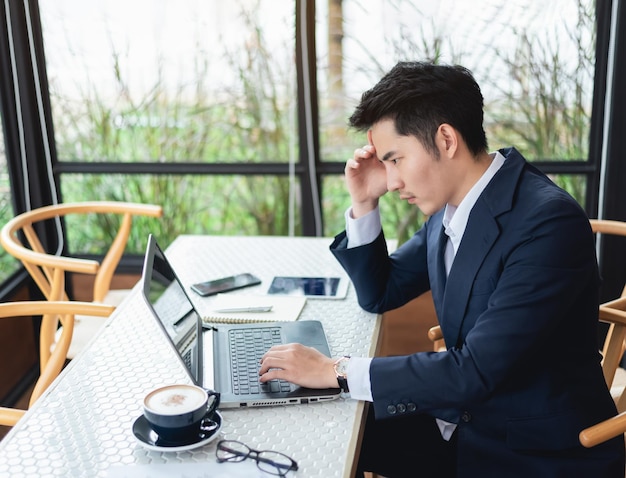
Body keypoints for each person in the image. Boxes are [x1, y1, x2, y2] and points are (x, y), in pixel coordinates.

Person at [259, 61, 626, 477]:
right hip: (463, 420)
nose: (393, 180)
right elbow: (382, 291)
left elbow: (473, 370)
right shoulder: (451, 209)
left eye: (396, 159)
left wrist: (335, 370)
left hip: (530, 453)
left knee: (338, 419)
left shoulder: (547, 224)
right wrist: (363, 203)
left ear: (446, 139)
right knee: (322, 429)